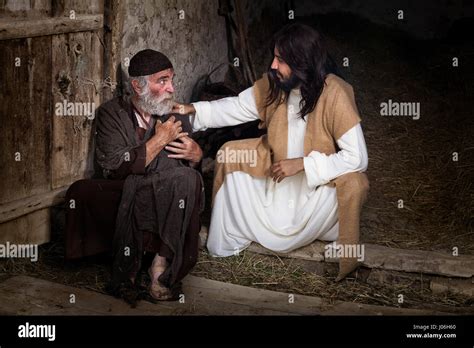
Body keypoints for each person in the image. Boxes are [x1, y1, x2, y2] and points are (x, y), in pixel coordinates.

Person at [175, 23, 369, 281]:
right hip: (275, 188)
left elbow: (358, 158)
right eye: (274, 57)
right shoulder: (275, 84)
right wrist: (192, 110)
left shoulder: (335, 93)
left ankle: (323, 230)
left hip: (315, 196)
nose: (273, 66)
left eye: (281, 59)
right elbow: (234, 107)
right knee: (230, 154)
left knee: (354, 183)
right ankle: (234, 237)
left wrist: (302, 164)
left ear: (302, 62)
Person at [95, 49, 204, 303]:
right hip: (128, 188)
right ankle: (133, 270)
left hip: (168, 190)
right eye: (162, 81)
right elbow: (115, 166)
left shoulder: (175, 115)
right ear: (137, 85)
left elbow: (189, 172)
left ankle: (160, 265)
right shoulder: (111, 114)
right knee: (182, 179)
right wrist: (160, 139)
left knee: (188, 179)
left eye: (171, 80)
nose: (171, 88)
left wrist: (197, 155)